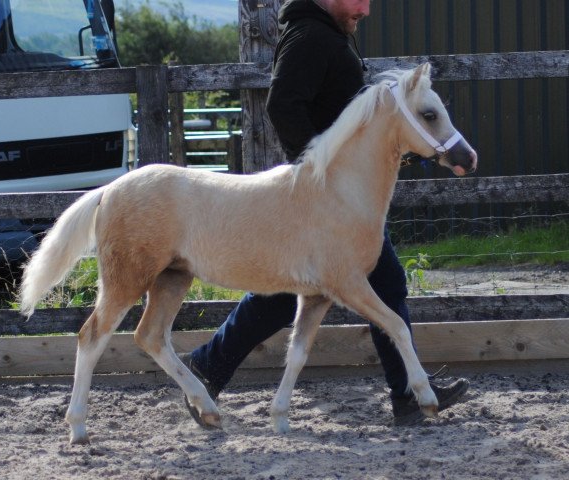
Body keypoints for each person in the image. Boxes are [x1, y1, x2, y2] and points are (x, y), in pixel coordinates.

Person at [183, 0, 469, 427]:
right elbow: (282, 104)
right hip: (324, 203)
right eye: (358, 0)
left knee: (308, 292)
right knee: (323, 289)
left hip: (339, 201)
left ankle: (208, 365)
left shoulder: (327, 33)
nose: (366, 10)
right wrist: (318, 173)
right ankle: (408, 393)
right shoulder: (310, 36)